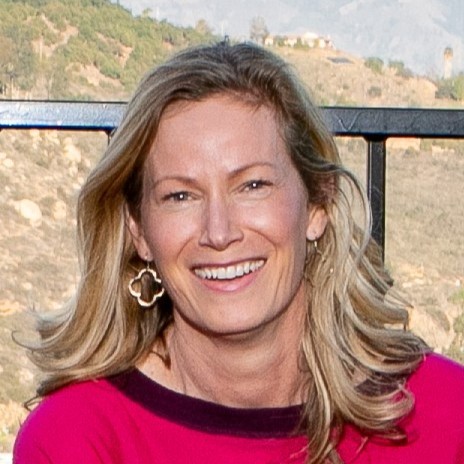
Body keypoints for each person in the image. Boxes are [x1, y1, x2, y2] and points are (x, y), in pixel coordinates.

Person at [14, 41, 464, 464]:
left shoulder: (443, 415)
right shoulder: (77, 439)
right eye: (180, 196)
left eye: (253, 186)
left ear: (317, 205)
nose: (219, 231)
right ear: (139, 231)